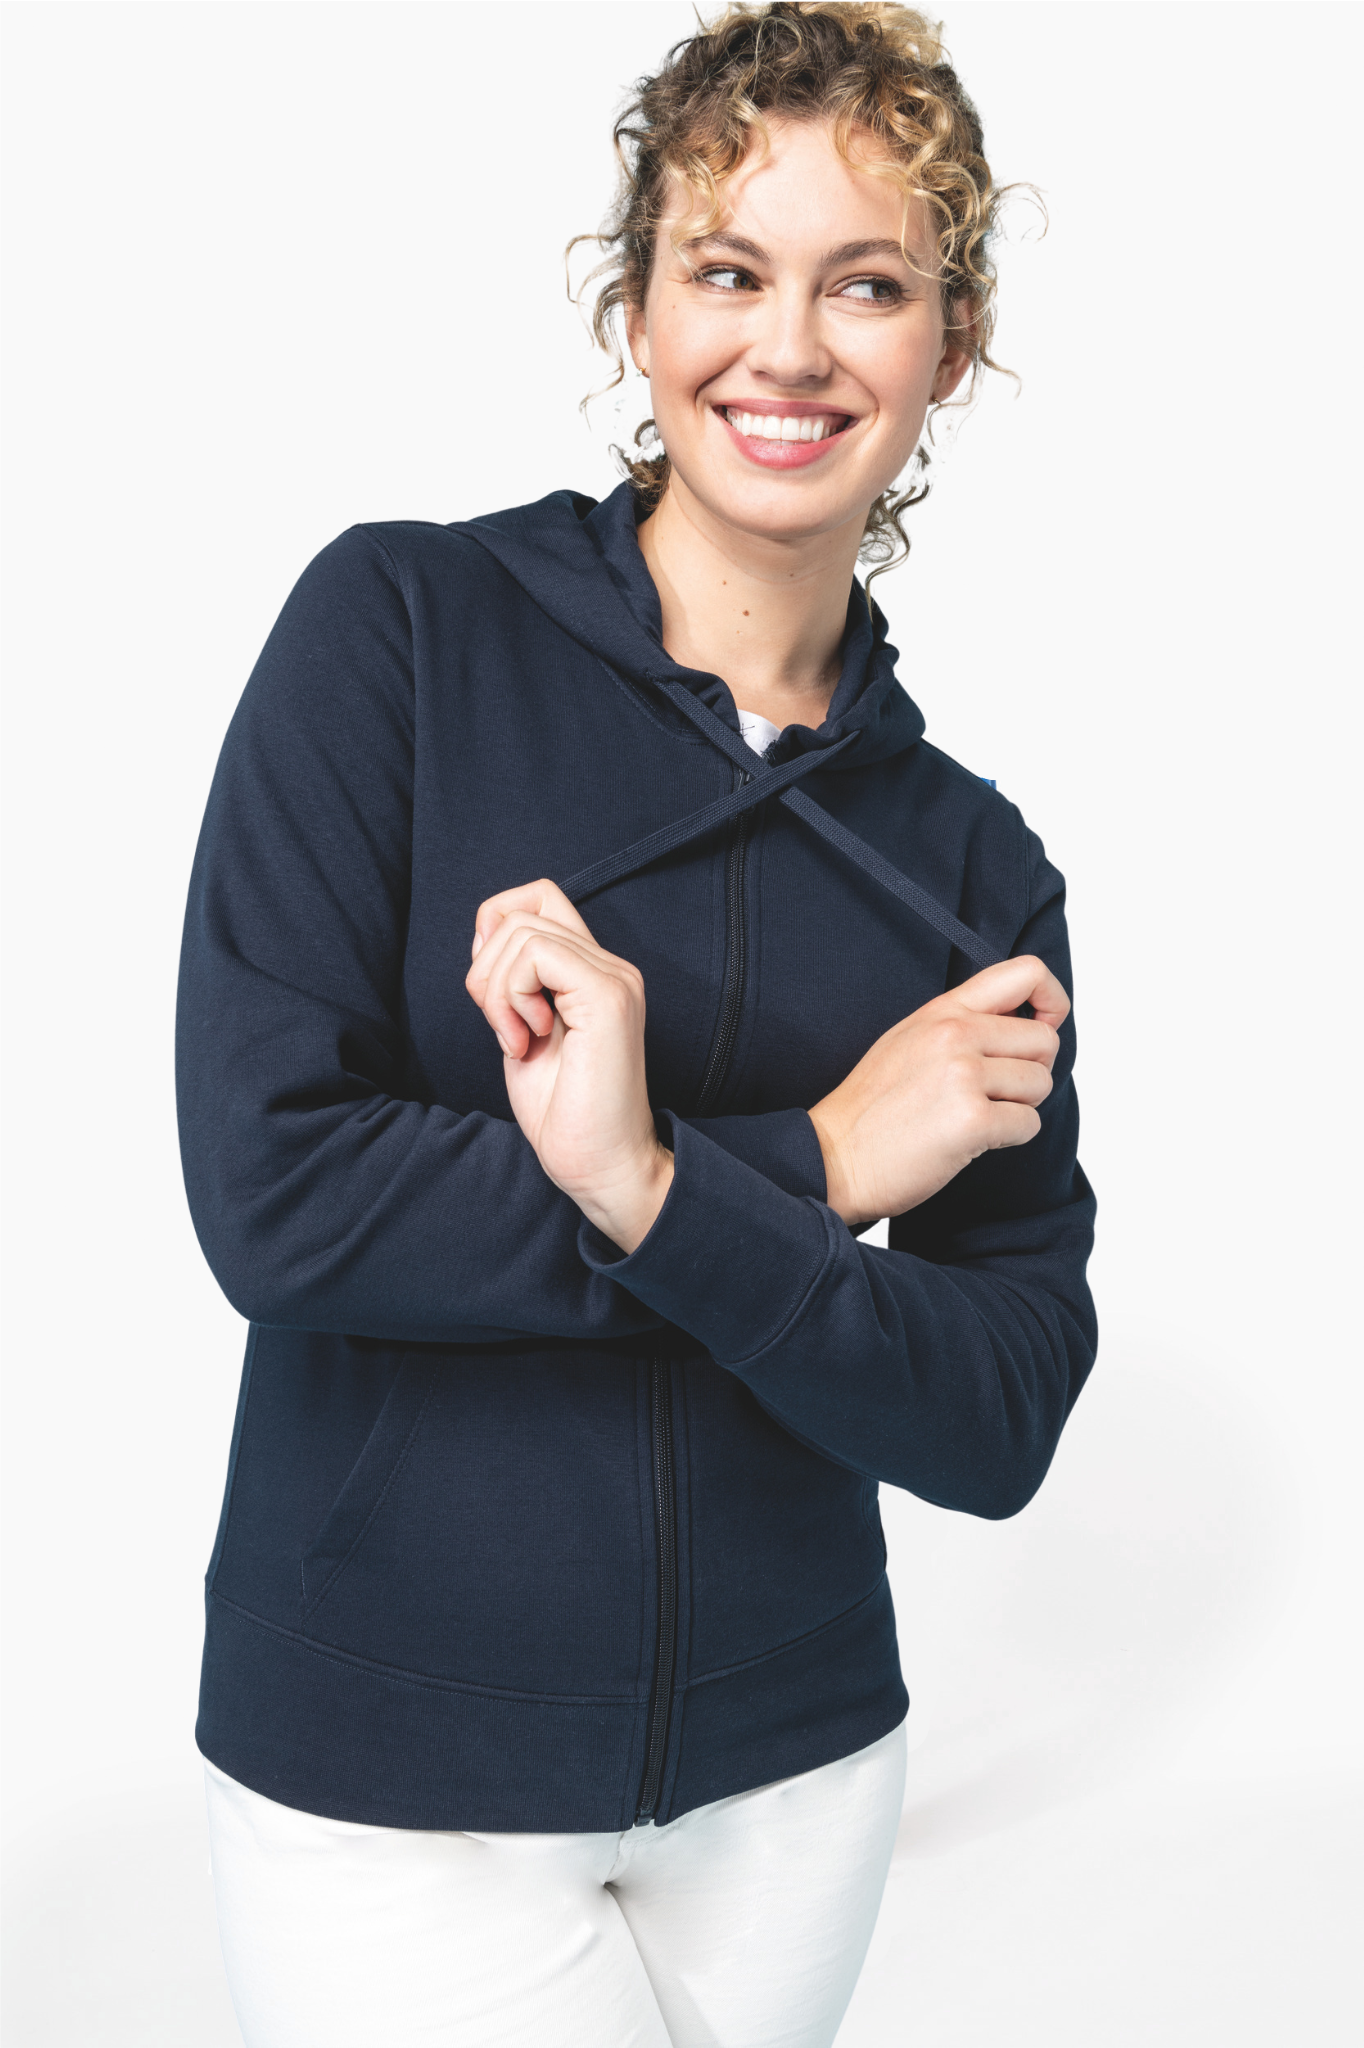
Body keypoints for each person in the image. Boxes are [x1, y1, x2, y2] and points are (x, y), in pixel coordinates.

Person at [177, 5, 1097, 2042]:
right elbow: (277, 1192)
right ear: (637, 308)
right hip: (394, 1775)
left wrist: (669, 1192)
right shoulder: (400, 637)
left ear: (951, 344)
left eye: (868, 285)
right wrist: (801, 1167)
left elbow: (1000, 1407)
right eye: (728, 271)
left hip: (796, 1782)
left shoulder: (967, 869)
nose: (790, 349)